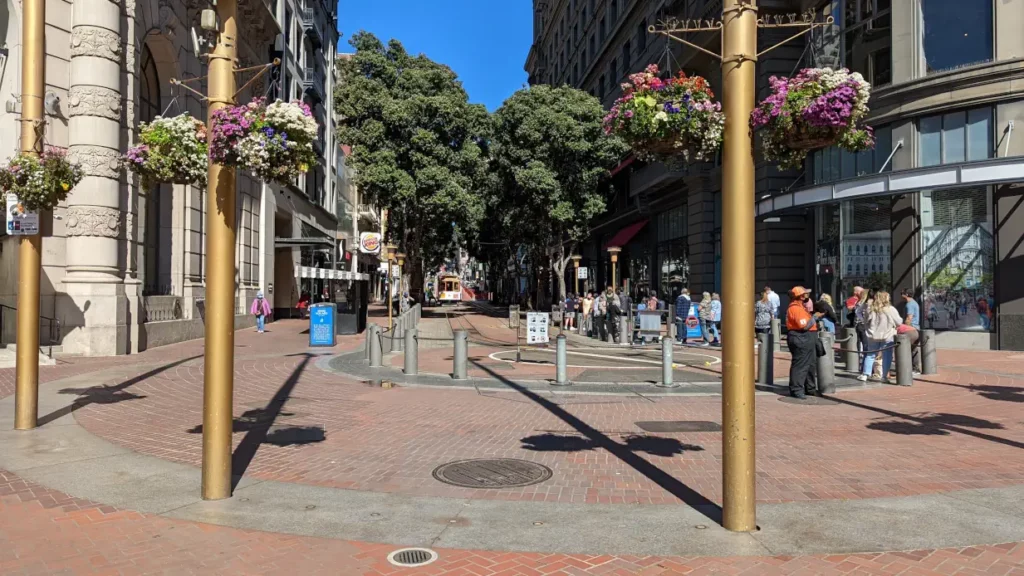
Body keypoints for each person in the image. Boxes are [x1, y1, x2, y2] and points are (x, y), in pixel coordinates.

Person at [859, 291, 902, 384]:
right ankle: (884, 376)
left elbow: (865, 321)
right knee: (887, 356)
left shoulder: (870, 309)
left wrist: (868, 329)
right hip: (887, 335)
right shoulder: (891, 309)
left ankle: (865, 374)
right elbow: (899, 322)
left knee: (870, 354)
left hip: (872, 335)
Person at [786, 286, 819, 399]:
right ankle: (797, 389)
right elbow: (804, 326)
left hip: (806, 337)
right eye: (805, 294)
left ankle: (809, 388)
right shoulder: (795, 308)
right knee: (800, 364)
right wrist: (815, 317)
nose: (807, 295)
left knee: (810, 364)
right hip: (801, 337)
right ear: (800, 296)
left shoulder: (801, 307)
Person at [901, 288, 922, 375]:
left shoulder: (910, 304)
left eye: (902, 293)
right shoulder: (914, 303)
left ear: (906, 294)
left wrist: (905, 328)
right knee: (913, 349)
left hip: (910, 329)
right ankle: (915, 368)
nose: (901, 295)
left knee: (907, 349)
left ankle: (911, 369)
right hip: (915, 328)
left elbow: (909, 318)